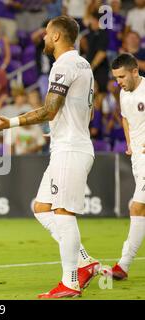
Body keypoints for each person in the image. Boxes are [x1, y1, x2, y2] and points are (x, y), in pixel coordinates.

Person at [0, 16, 99, 298]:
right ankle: (84, 260)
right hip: (68, 143)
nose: (44, 38)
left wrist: (8, 123)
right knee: (42, 207)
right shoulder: (83, 65)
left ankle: (70, 282)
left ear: (57, 37)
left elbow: (49, 110)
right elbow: (84, 111)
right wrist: (57, 129)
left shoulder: (64, 65)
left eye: (47, 34)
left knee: (63, 213)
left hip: (70, 149)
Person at [110, 53, 145, 280]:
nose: (119, 82)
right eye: (116, 78)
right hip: (137, 159)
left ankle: (123, 264)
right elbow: (125, 118)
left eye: (122, 76)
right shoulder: (124, 93)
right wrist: (130, 143)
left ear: (135, 71)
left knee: (137, 207)